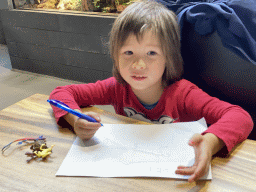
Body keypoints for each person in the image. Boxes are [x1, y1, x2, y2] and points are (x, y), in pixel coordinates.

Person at [49, 0, 253, 183]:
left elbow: (240, 116)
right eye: (128, 52)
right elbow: (61, 93)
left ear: (169, 57)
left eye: (151, 53)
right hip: (127, 177)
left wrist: (210, 141)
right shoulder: (115, 87)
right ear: (115, 55)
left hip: (176, 178)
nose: (138, 64)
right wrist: (75, 121)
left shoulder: (184, 94)